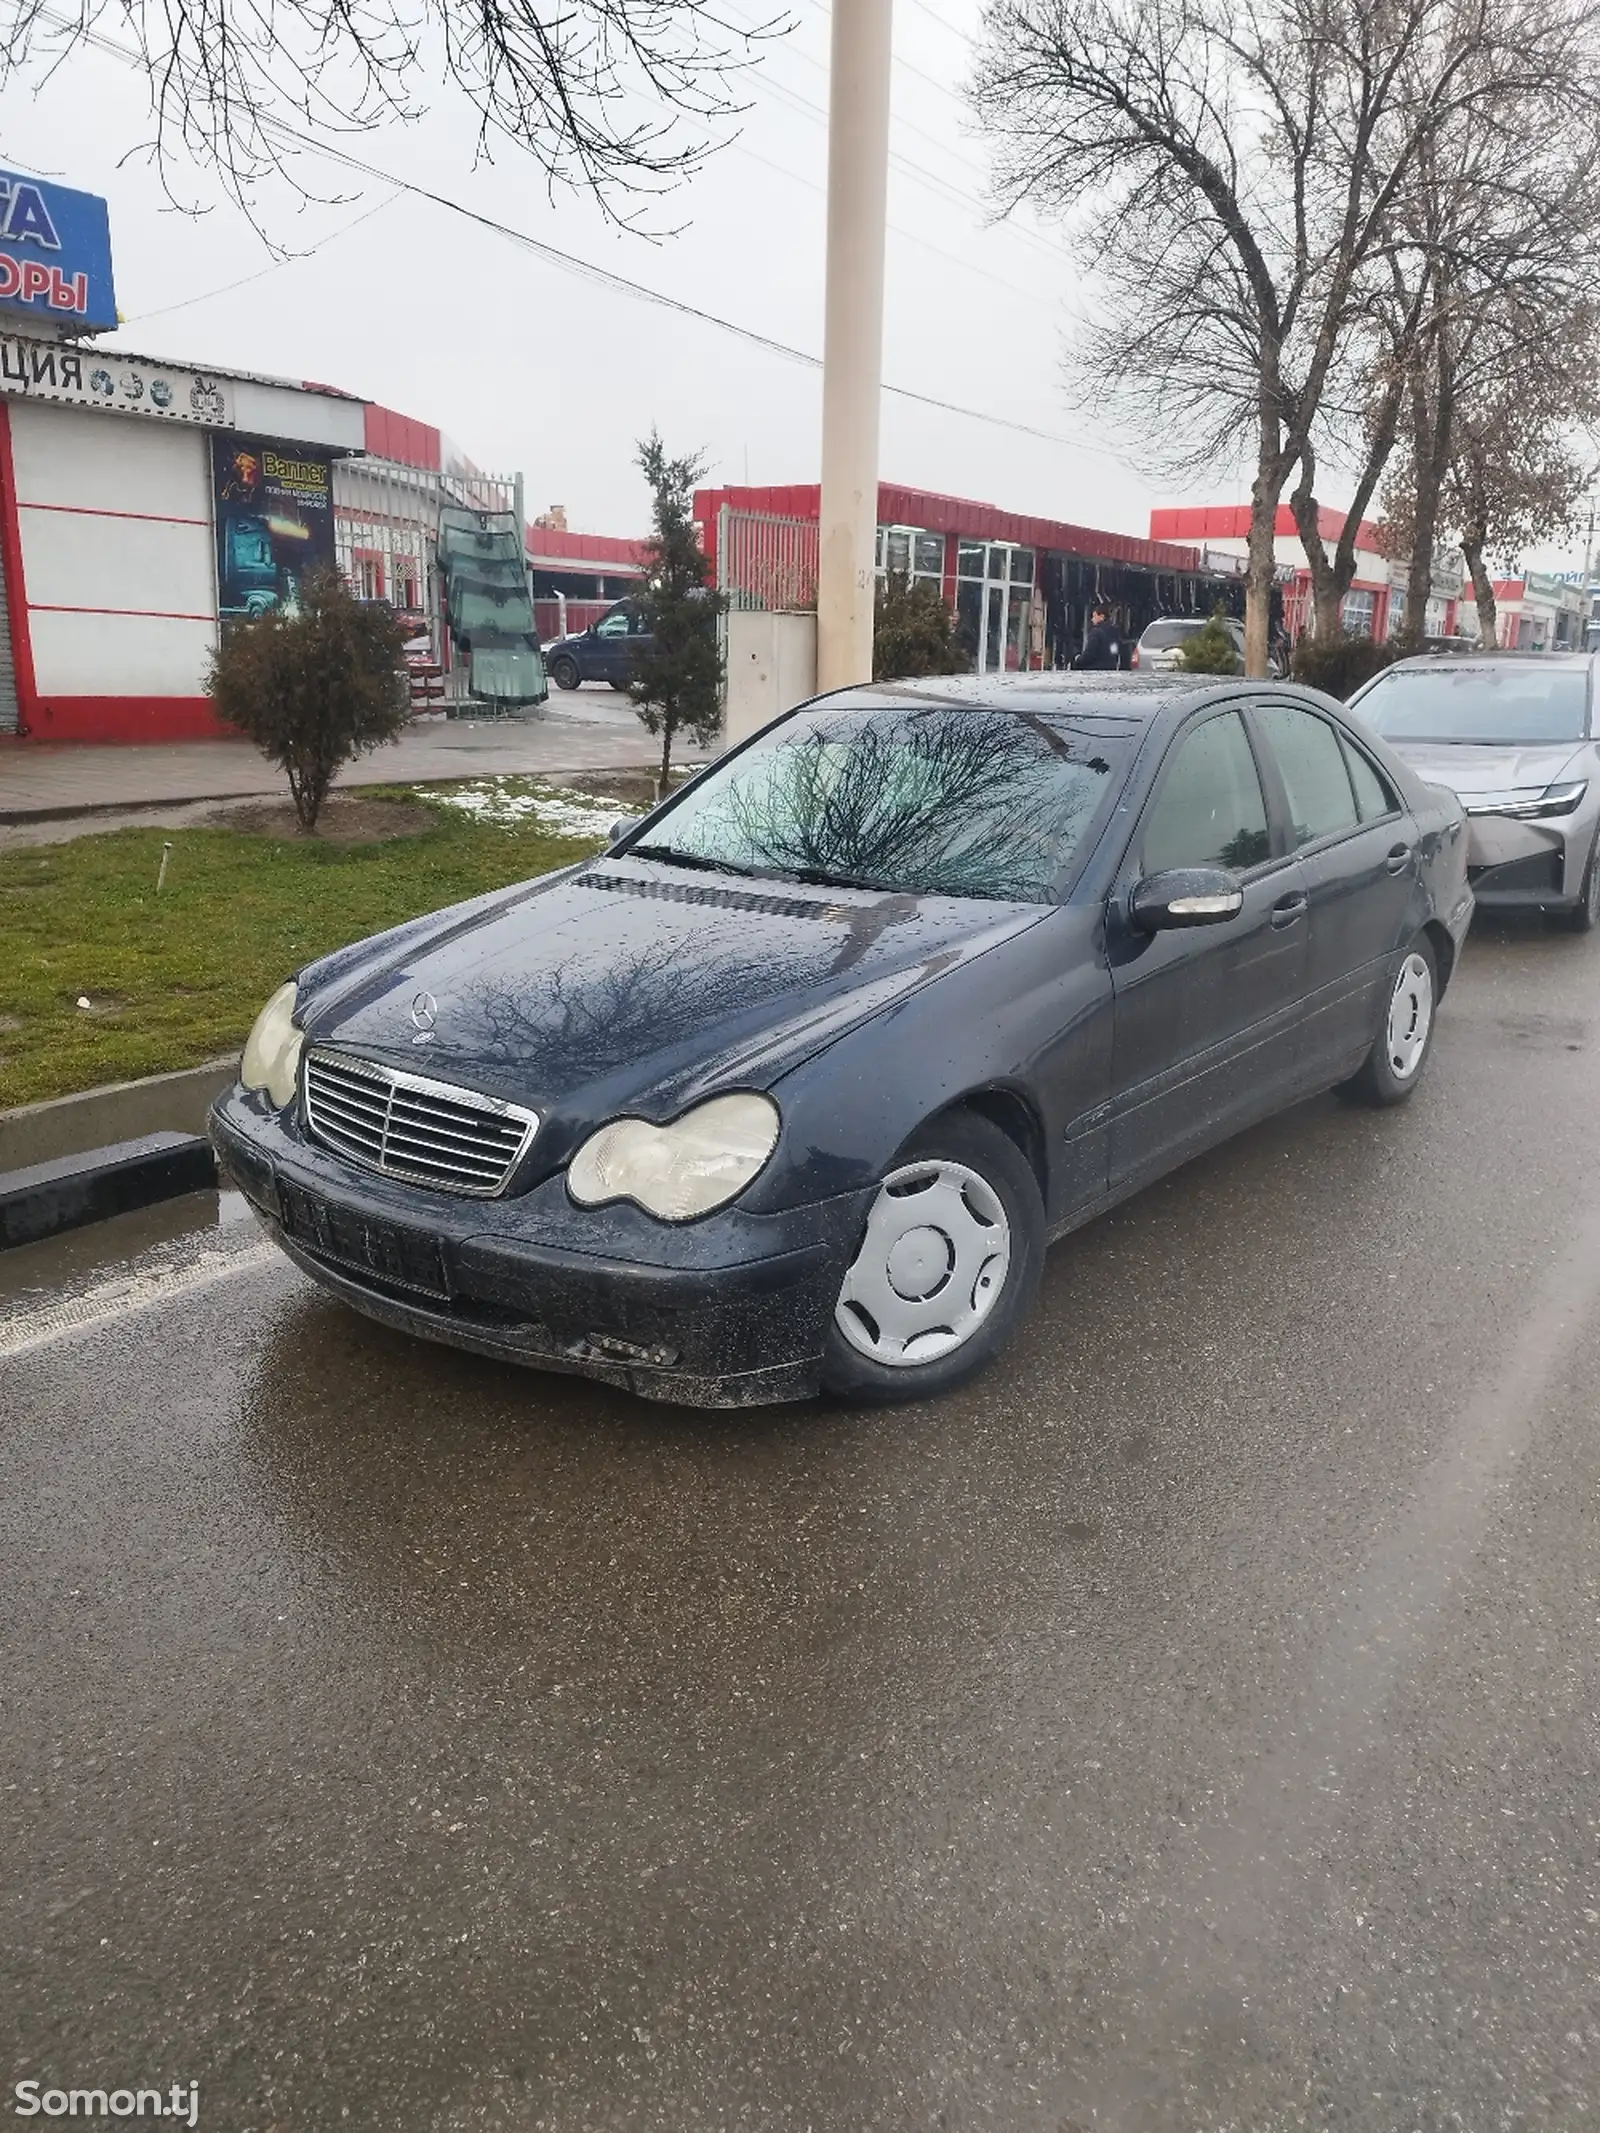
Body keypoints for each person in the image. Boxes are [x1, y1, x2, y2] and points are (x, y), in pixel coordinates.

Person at [1071, 601, 1122, 671]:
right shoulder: (1114, 632)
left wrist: (1078, 659)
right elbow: (1115, 652)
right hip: (1111, 668)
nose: (1092, 619)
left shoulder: (1096, 633)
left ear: (1102, 617)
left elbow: (1089, 655)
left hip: (1095, 669)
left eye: (1094, 616)